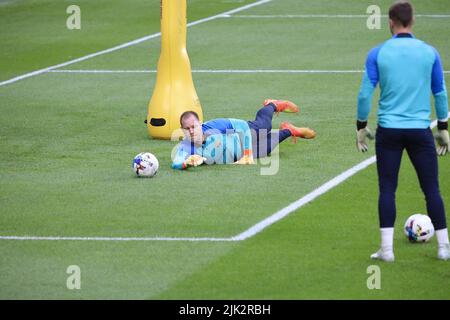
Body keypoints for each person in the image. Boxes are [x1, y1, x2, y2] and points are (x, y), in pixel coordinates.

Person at [356, 1, 450, 261]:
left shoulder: (378, 53)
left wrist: (361, 127)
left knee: (387, 189)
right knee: (431, 189)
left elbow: (365, 94)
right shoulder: (430, 52)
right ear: (413, 21)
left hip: (388, 132)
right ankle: (444, 247)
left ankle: (387, 251)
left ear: (390, 22)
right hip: (420, 131)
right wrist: (443, 127)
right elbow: (440, 92)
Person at [171, 99, 316, 170]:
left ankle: (272, 105)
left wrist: (247, 153)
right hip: (237, 153)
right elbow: (175, 163)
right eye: (187, 128)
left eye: (193, 126)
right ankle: (290, 130)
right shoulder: (185, 147)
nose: (191, 131)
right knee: (267, 149)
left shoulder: (214, 126)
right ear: (182, 130)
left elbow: (240, 126)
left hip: (243, 132)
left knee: (264, 127)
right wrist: (186, 163)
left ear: (200, 123)